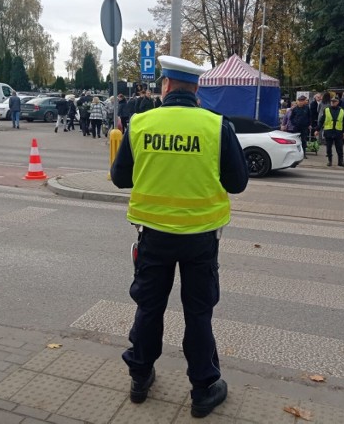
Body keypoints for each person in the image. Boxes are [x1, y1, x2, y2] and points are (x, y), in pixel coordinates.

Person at [111, 55, 249, 418]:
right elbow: (238, 183)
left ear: (166, 87)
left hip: (153, 237)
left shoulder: (140, 123)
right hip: (201, 240)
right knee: (198, 314)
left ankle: (140, 377)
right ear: (196, 88)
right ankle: (203, 390)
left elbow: (121, 178)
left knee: (149, 307)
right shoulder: (216, 125)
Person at [316, 96, 344, 167]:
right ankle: (329, 161)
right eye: (332, 101)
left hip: (338, 132)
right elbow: (321, 121)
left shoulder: (342, 110)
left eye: (334, 101)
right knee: (328, 148)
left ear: (338, 102)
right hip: (329, 131)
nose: (333, 103)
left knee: (339, 148)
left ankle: (341, 161)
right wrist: (317, 129)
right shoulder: (326, 110)